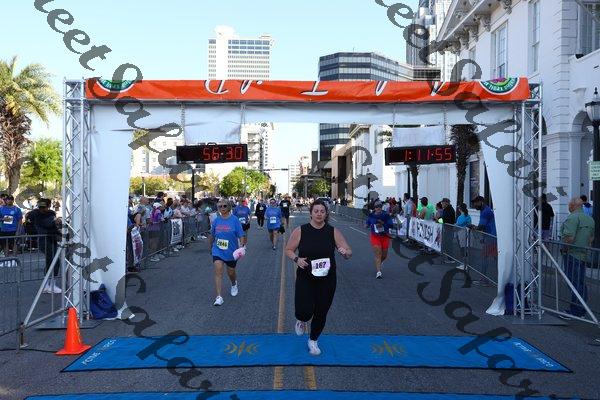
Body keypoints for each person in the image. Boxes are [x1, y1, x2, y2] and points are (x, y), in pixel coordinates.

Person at [285, 199, 352, 356]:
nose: (319, 214)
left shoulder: (333, 232)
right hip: (306, 277)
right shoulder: (301, 231)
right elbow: (288, 250)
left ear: (326, 214)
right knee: (304, 310)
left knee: (321, 311)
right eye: (316, 211)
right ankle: (301, 320)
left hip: (327, 279)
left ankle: (313, 340)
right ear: (311, 213)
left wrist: (345, 252)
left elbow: (348, 251)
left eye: (322, 211)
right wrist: (297, 259)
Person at [560, 198, 595, 318]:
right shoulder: (590, 219)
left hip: (572, 253)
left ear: (573, 205)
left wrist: (564, 250)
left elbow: (569, 238)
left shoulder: (572, 218)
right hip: (583, 254)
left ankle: (576, 310)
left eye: (569, 205)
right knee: (580, 282)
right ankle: (581, 309)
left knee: (574, 283)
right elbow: (591, 238)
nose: (568, 207)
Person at [210, 199, 246, 306]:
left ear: (229, 207)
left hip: (231, 251)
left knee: (231, 272)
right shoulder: (216, 220)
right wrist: (210, 247)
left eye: (224, 206)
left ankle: (234, 283)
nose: (222, 208)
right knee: (218, 270)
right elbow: (212, 235)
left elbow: (241, 235)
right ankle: (219, 297)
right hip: (218, 250)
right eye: (220, 206)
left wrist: (241, 247)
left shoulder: (234, 220)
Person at [27, 199, 61, 293]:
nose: (42, 209)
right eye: (41, 207)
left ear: (49, 206)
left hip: (52, 239)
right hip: (43, 240)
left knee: (51, 261)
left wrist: (60, 232)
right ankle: (49, 285)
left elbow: (54, 227)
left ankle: (48, 285)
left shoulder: (51, 213)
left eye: (44, 207)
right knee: (54, 260)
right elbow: (29, 226)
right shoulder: (34, 214)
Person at [365, 200, 394, 279]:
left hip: (385, 237)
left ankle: (379, 263)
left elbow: (391, 225)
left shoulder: (386, 215)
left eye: (380, 206)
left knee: (384, 256)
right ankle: (378, 272)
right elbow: (367, 224)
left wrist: (383, 223)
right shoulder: (371, 215)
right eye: (377, 207)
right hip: (375, 237)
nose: (378, 208)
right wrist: (367, 225)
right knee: (378, 253)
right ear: (374, 208)